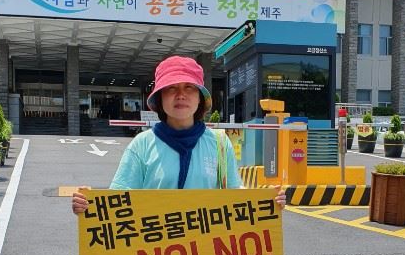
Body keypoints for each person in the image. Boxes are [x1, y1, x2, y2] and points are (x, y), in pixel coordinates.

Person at [72, 55, 285, 213]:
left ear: (200, 98)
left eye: (189, 88)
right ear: (160, 98)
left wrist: (266, 202)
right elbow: (118, 198)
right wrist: (89, 206)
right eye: (171, 88)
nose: (181, 95)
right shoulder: (142, 145)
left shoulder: (219, 143)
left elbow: (235, 192)